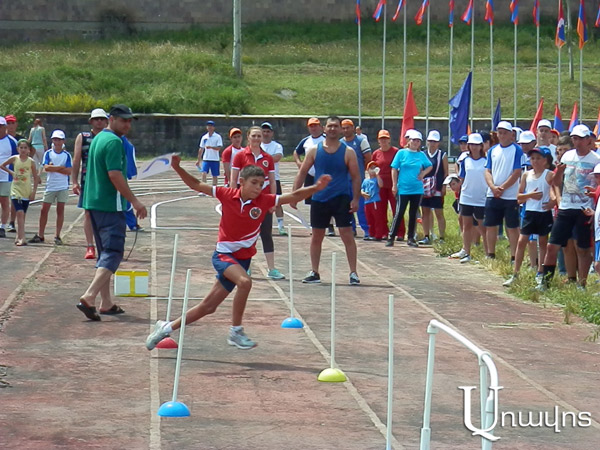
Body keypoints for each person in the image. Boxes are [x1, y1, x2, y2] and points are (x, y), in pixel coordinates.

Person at [145, 157, 331, 350]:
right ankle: (236, 332)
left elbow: (293, 196)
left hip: (243, 260)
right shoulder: (226, 194)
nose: (258, 188)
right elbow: (196, 185)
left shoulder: (264, 200)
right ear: (241, 182)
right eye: (254, 183)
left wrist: (315, 188)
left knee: (208, 307)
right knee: (245, 282)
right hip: (223, 256)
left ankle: (165, 328)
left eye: (261, 184)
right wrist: (177, 167)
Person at [76, 104, 147, 321]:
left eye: (129, 121)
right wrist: (134, 201)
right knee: (113, 253)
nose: (127, 125)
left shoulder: (98, 138)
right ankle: (89, 296)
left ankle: (106, 302)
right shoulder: (114, 142)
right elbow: (115, 174)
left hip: (94, 203)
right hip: (110, 205)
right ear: (112, 119)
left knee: (104, 253)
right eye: (123, 120)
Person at [292, 116, 361, 285]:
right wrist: (295, 195)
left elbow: (356, 177)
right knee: (317, 236)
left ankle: (353, 273)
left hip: (341, 198)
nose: (332, 129)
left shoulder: (348, 152)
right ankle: (314, 272)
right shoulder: (314, 151)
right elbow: (302, 172)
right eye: (330, 126)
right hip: (320, 199)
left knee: (347, 235)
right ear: (324, 128)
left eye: (336, 126)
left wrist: (355, 199)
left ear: (341, 129)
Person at [538, 124, 600, 290]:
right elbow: (556, 182)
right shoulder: (567, 156)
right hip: (566, 206)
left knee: (582, 248)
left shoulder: (596, 159)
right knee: (552, 245)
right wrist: (559, 173)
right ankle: (545, 283)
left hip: (584, 208)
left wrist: (594, 194)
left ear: (588, 140)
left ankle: (582, 283)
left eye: (579, 139)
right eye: (574, 139)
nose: (576, 142)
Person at [231, 126, 285, 280]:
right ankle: (245, 266)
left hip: (264, 201)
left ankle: (272, 268)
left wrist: (273, 201)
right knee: (246, 234)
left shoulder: (267, 158)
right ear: (248, 137)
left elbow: (273, 181)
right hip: (246, 201)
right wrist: (234, 199)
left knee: (266, 233)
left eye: (259, 136)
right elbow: (234, 180)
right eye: (253, 136)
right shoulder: (240, 156)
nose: (256, 139)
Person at [503, 148, 555, 287]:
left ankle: (540, 272)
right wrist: (530, 195)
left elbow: (555, 191)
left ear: (545, 160)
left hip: (543, 213)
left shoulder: (549, 175)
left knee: (542, 242)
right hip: (530, 212)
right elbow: (519, 197)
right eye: (532, 158)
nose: (535, 161)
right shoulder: (526, 175)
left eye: (538, 158)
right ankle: (515, 274)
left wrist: (552, 202)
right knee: (522, 241)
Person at [72, 108, 109, 259]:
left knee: (106, 213)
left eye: (102, 119)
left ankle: (104, 245)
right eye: (96, 119)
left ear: (106, 121)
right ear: (91, 121)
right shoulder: (83, 137)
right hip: (88, 181)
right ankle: (90, 246)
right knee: (88, 213)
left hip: (106, 181)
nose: (99, 121)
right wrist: (74, 181)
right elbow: (76, 160)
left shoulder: (110, 137)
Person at [483, 121, 523, 260]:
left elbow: (517, 172)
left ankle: (514, 256)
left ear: (511, 134)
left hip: (510, 195)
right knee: (491, 225)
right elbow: (487, 171)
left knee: (512, 227)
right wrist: (493, 187)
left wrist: (502, 188)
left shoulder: (517, 150)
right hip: (492, 194)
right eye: (500, 133)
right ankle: (491, 253)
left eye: (505, 133)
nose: (502, 135)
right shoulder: (492, 150)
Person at [386, 129, 433, 248]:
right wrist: (394, 184)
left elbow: (429, 166)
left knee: (413, 213)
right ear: (409, 141)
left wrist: (423, 174)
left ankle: (411, 237)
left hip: (417, 189)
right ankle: (391, 236)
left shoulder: (421, 155)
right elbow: (394, 168)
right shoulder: (401, 153)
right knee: (399, 212)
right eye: (414, 140)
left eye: (418, 141)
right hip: (403, 188)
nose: (416, 143)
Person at [28, 130, 72, 245]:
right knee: (44, 210)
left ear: (63, 141)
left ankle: (57, 235)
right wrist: (60, 167)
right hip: (51, 186)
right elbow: (46, 168)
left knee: (60, 210)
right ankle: (41, 234)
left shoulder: (66, 155)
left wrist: (54, 168)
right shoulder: (48, 153)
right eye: (55, 139)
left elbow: (69, 171)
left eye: (59, 140)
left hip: (62, 186)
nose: (57, 142)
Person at [452, 133, 488, 263]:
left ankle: (488, 253)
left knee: (482, 227)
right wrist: (456, 186)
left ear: (481, 146)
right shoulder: (465, 161)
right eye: (471, 144)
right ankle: (466, 250)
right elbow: (461, 178)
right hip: (466, 197)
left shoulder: (486, 161)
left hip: (481, 198)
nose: (474, 147)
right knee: (466, 225)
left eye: (477, 145)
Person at [0, 139, 39, 245]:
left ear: (29, 150)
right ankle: (22, 238)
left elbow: (35, 177)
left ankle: (18, 235)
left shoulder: (31, 162)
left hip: (26, 190)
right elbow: (2, 165)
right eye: (21, 148)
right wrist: (11, 172)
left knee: (23, 214)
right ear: (18, 149)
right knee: (19, 212)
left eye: (25, 148)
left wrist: (34, 192)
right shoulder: (14, 158)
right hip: (15, 189)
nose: (23, 150)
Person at [293, 118, 328, 230]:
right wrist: (299, 163)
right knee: (312, 201)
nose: (314, 128)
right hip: (310, 174)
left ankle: (330, 225)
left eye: (315, 126)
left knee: (327, 200)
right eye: (311, 126)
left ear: (321, 127)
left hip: (323, 174)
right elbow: (296, 152)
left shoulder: (326, 139)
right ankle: (315, 223)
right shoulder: (306, 141)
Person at [371, 129, 405, 240]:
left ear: (389, 140)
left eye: (385, 139)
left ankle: (400, 232)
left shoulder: (396, 152)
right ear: (378, 141)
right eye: (381, 139)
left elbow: (401, 166)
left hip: (394, 184)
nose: (384, 141)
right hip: (380, 185)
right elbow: (372, 168)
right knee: (380, 210)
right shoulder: (376, 153)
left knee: (397, 209)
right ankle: (383, 232)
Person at [341, 118, 372, 239]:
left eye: (348, 127)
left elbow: (368, 158)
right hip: (344, 180)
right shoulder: (340, 143)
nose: (346, 130)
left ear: (353, 128)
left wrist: (360, 171)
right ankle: (351, 229)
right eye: (343, 128)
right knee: (346, 206)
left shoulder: (361, 141)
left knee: (360, 206)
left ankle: (367, 230)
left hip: (358, 180)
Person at [419, 130, 448, 245]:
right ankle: (426, 235)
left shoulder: (442, 155)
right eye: (430, 141)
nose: (432, 144)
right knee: (425, 212)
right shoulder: (423, 154)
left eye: (435, 141)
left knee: (439, 212)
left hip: (437, 187)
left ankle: (442, 237)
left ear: (438, 143)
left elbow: (446, 173)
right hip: (425, 187)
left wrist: (444, 186)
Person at [260, 121, 287, 236]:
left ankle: (281, 226)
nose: (266, 134)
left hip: (274, 179)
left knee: (277, 202)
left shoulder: (277, 146)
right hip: (259, 179)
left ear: (272, 133)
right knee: (258, 202)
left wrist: (262, 159)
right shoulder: (257, 145)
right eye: (264, 131)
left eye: (268, 131)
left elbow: (277, 157)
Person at [0, 116, 17, 238]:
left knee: (4, 201)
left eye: (1, 126)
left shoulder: (12, 142)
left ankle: (2, 226)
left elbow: (18, 159)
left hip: (6, 176)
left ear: (4, 127)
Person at [122, 135, 142, 231]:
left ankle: (132, 223)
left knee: (124, 199)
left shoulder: (121, 140)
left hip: (118, 174)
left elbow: (129, 152)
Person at [361, 161, 385, 240]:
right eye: (371, 168)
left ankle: (378, 235)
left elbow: (381, 185)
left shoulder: (376, 179)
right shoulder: (365, 180)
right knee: (369, 218)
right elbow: (362, 189)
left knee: (377, 218)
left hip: (375, 201)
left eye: (375, 168)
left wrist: (378, 175)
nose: (373, 170)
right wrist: (363, 193)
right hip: (367, 202)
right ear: (367, 170)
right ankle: (371, 234)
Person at [196, 120, 222, 188]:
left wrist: (211, 147)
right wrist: (198, 160)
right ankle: (204, 188)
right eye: (208, 126)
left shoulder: (217, 137)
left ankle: (214, 189)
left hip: (215, 159)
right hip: (206, 158)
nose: (209, 127)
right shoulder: (204, 137)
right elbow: (201, 148)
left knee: (214, 175)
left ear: (214, 127)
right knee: (204, 173)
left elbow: (219, 148)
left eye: (211, 126)